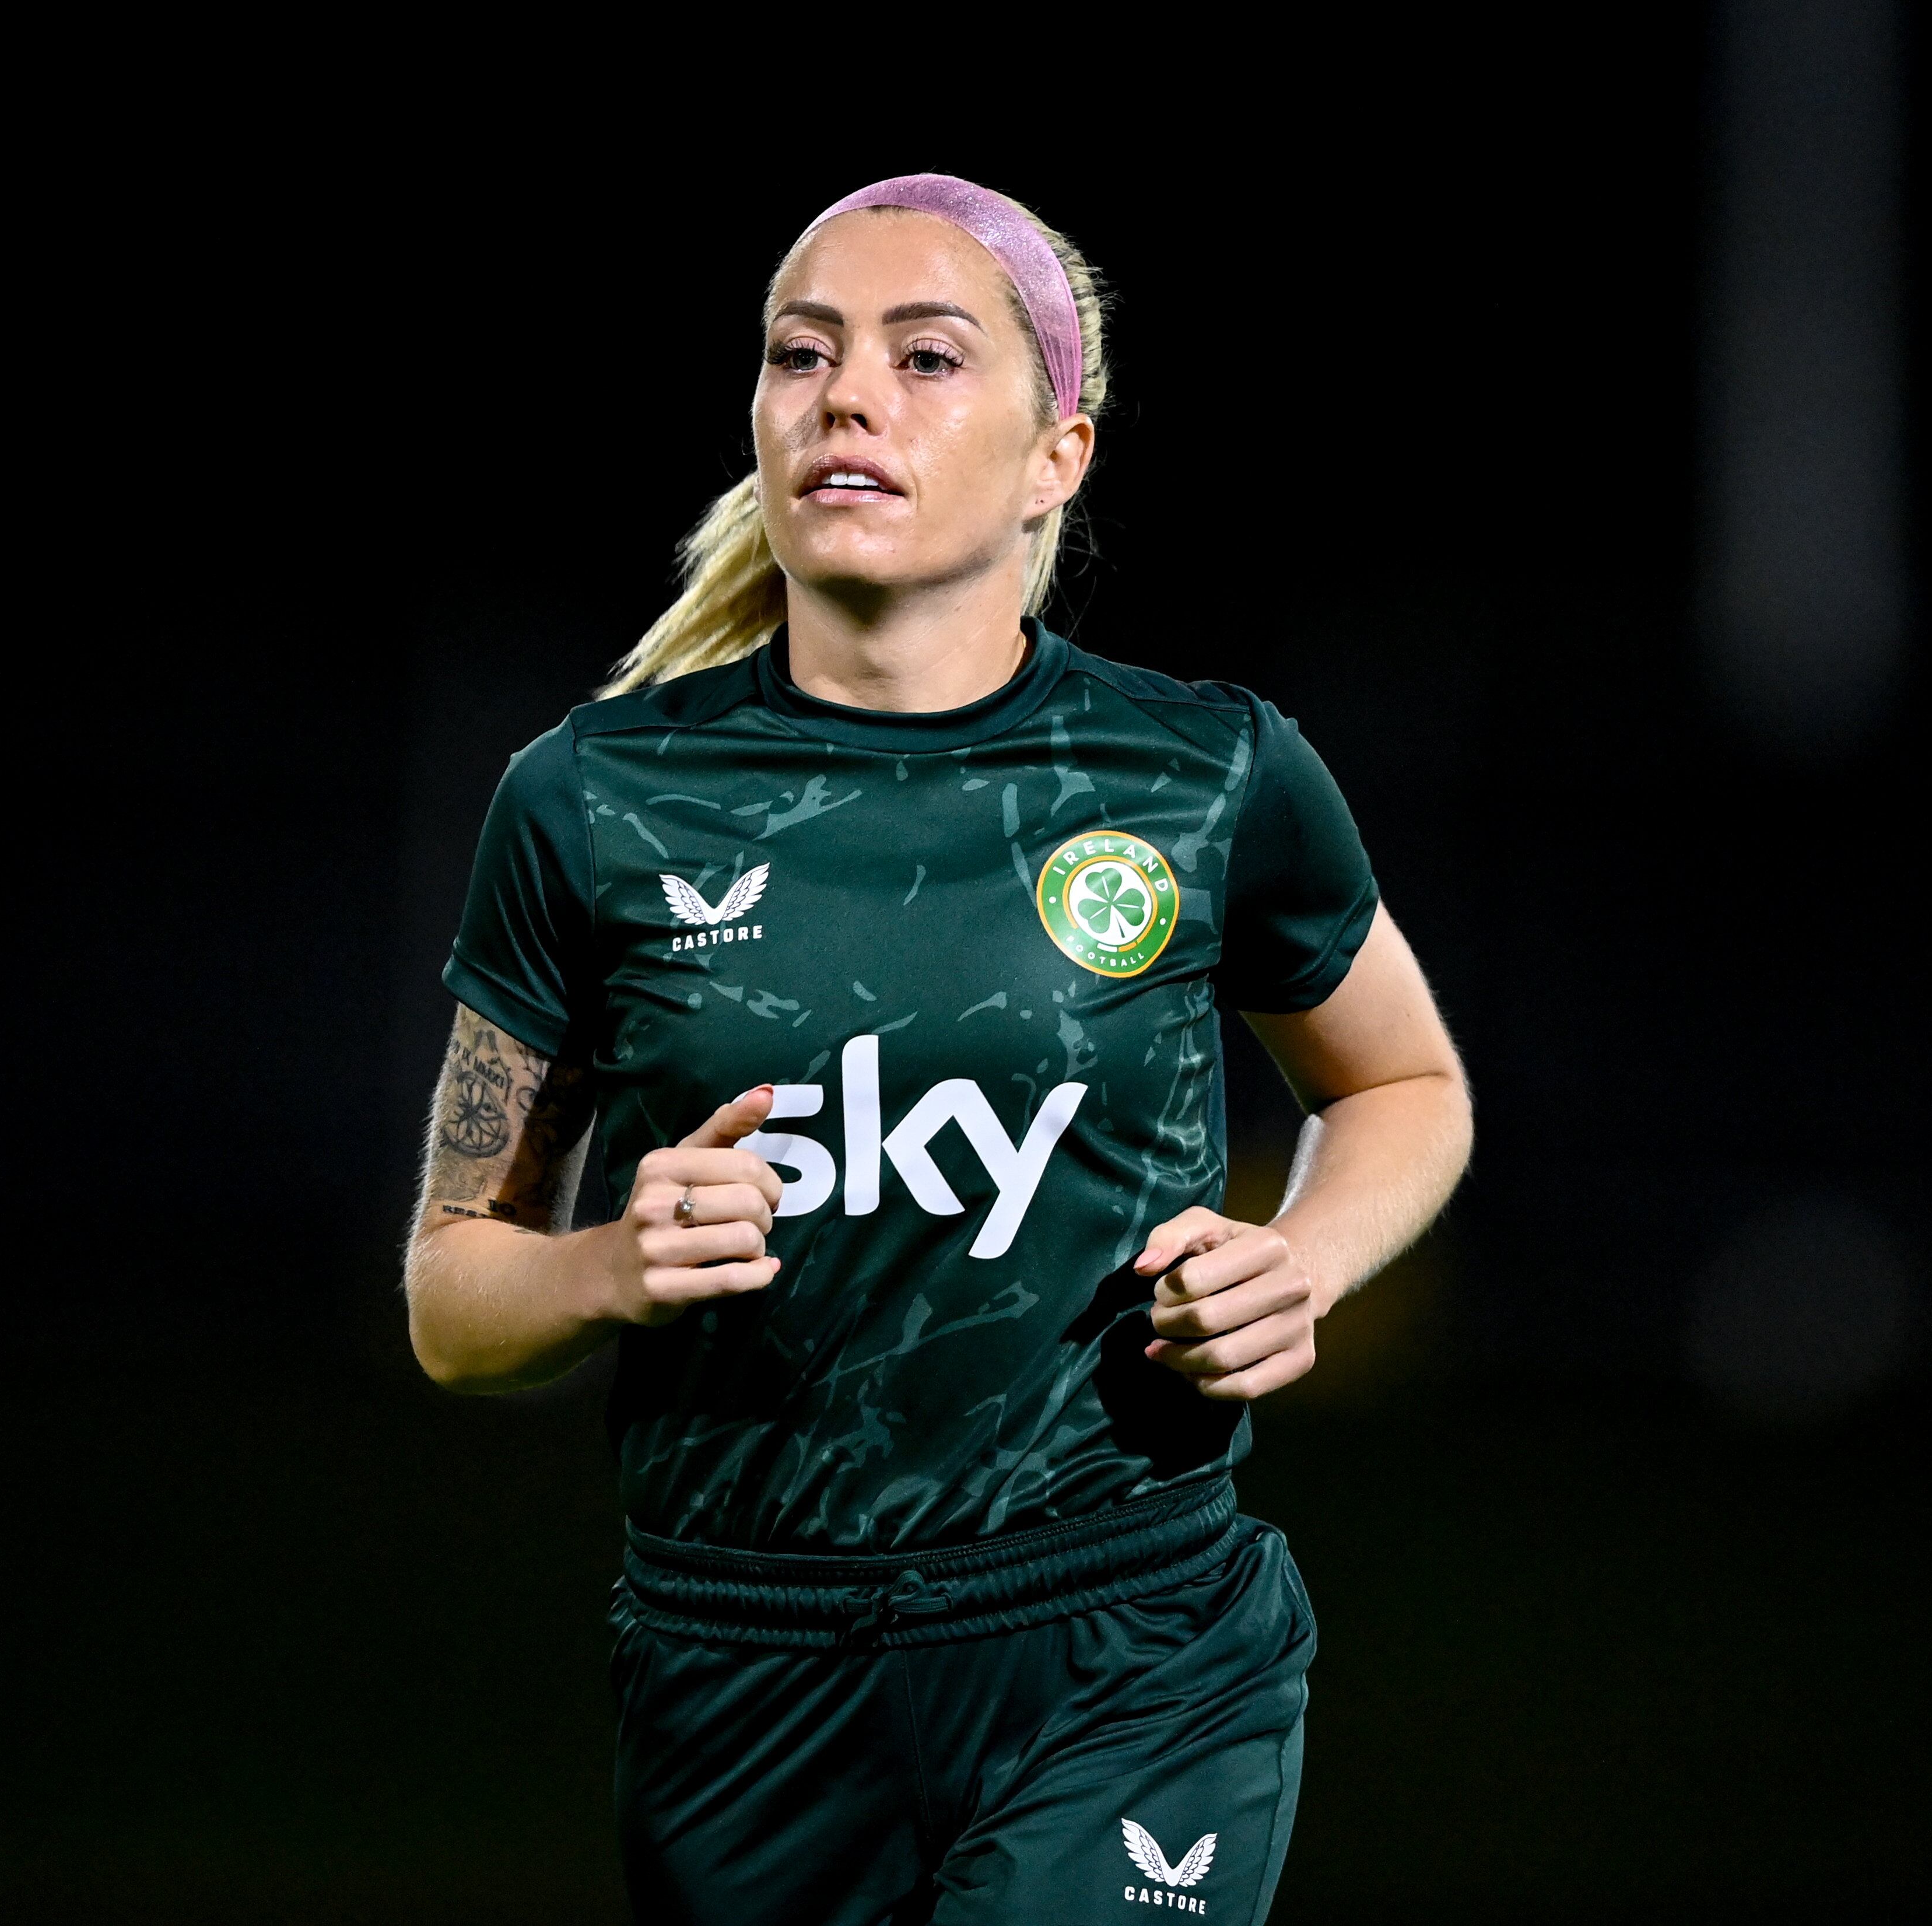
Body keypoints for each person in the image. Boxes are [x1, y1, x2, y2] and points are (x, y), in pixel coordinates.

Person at [404, 174, 1470, 1924]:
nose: (845, 395)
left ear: (1057, 453)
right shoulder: (588, 802)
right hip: (739, 1673)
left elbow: (1402, 1087)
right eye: (799, 354)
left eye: (925, 356)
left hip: (1125, 1638)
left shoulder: (1204, 774)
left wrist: (1304, 1259)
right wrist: (606, 1264)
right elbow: (453, 1303)